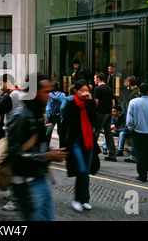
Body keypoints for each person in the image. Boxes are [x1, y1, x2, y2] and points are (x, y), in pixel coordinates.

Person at [6, 73, 68, 221]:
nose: (50, 96)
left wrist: (49, 153)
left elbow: (35, 147)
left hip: (41, 178)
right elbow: (13, 154)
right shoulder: (21, 116)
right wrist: (46, 156)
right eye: (46, 92)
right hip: (27, 184)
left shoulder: (37, 113)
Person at [61, 80, 99, 213]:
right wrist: (63, 145)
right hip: (75, 141)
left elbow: (94, 120)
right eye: (82, 90)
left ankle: (85, 200)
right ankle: (76, 199)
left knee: (86, 173)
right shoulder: (71, 104)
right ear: (76, 91)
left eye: (87, 90)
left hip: (88, 141)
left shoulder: (90, 103)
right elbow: (64, 125)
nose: (85, 93)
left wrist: (90, 102)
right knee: (82, 170)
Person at [0, 73, 22, 212]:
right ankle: (14, 194)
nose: (1, 87)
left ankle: (15, 199)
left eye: (2, 83)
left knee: (3, 163)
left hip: (12, 134)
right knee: (10, 165)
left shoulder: (11, 96)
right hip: (17, 133)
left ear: (8, 82)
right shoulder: (19, 93)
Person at [93, 72, 116, 161]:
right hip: (108, 113)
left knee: (95, 133)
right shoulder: (109, 89)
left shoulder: (97, 89)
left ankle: (93, 153)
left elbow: (96, 103)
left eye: (95, 78)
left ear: (98, 79)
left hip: (100, 114)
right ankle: (112, 154)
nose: (94, 80)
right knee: (108, 133)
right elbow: (113, 103)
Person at [45, 82, 65, 146]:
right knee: (61, 133)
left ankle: (46, 146)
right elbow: (64, 106)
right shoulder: (63, 95)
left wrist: (47, 118)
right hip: (60, 115)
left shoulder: (49, 95)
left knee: (49, 132)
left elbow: (48, 108)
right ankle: (61, 147)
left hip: (52, 115)